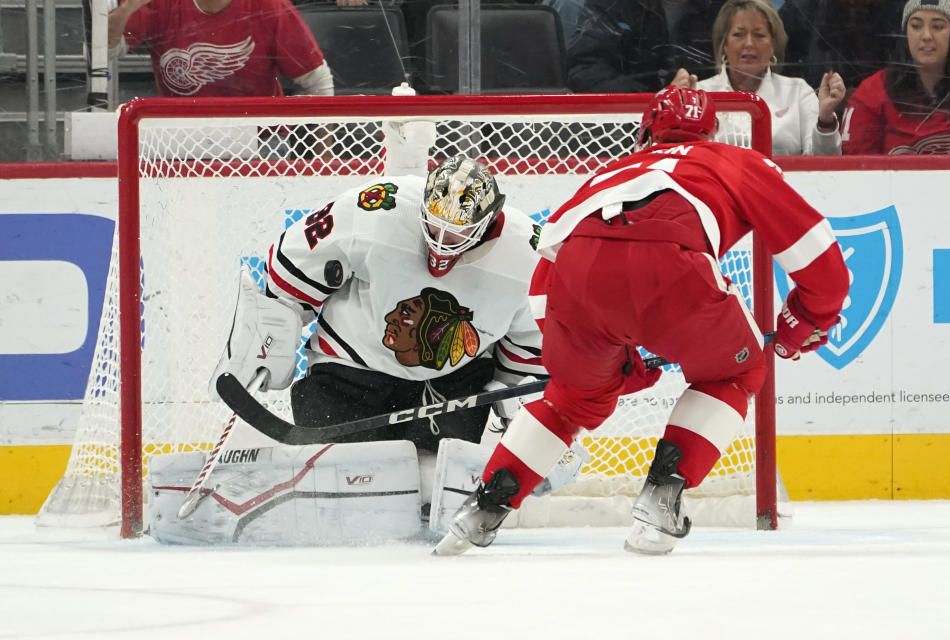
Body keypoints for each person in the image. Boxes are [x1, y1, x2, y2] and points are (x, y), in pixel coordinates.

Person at [435, 87, 849, 556]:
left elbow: (544, 287)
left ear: (644, 134)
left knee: (569, 401)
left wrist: (607, 365)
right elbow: (822, 260)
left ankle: (482, 509)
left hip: (576, 279)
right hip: (671, 267)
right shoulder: (734, 160)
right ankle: (661, 496)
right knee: (737, 370)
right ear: (711, 131)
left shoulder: (605, 176)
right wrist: (805, 320)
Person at [213, 155, 547, 454]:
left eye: (458, 232)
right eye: (435, 224)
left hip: (450, 388)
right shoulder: (375, 208)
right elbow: (293, 265)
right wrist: (272, 329)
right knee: (334, 473)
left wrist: (526, 406)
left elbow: (533, 345)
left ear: (490, 220)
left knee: (432, 488)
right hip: (349, 372)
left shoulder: (530, 255)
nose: (442, 241)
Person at [672, 0, 844, 156]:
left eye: (759, 35)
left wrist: (825, 120)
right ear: (724, 44)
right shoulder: (697, 95)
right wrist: (672, 106)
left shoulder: (798, 92)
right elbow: (672, 159)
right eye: (738, 34)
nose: (749, 43)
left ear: (773, 46)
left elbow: (824, 167)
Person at [107, 0, 334, 97]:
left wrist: (323, 156)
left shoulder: (269, 6)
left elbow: (318, 80)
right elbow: (106, 52)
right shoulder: (158, 3)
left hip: (260, 137)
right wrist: (127, 9)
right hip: (179, 135)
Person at [841, 0, 950, 155]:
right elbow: (857, 171)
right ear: (905, 34)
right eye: (916, 26)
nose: (926, 36)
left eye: (938, 26)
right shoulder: (871, 94)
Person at [566, 0, 725, 93]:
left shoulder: (724, 6)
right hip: (626, 129)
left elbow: (743, 72)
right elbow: (584, 69)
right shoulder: (612, 4)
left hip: (714, 125)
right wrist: (656, 100)